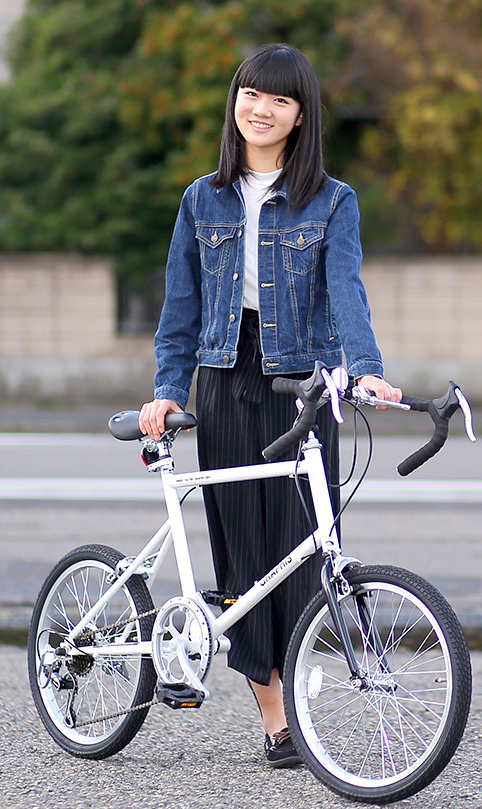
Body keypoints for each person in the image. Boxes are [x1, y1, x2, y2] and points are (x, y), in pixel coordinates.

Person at [139, 43, 402, 768]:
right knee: (244, 548)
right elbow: (181, 306)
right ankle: (275, 720)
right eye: (251, 94)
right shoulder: (202, 197)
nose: (261, 108)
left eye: (280, 100)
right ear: (236, 101)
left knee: (306, 545)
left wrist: (368, 372)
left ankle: (301, 702)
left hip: (302, 383)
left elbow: (346, 290)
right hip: (224, 378)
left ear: (300, 115)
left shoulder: (333, 199)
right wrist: (167, 389)